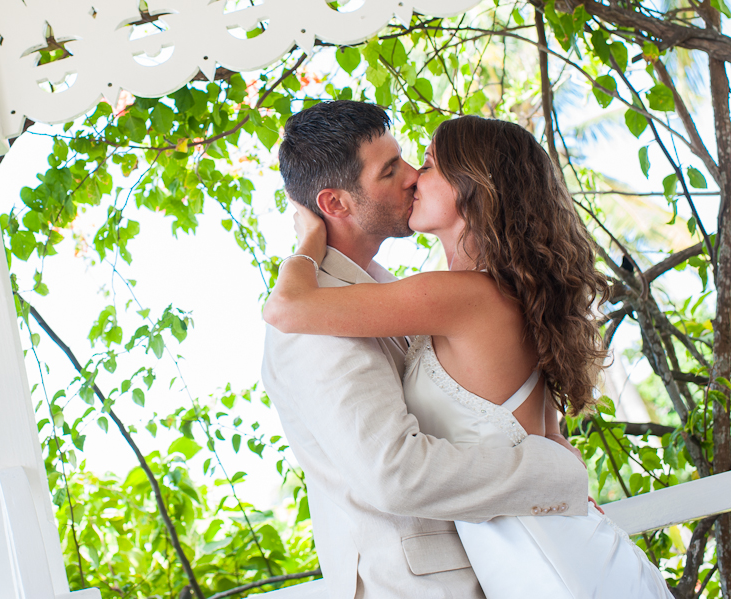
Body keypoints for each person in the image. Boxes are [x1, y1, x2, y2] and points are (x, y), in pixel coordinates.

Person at [263, 110, 673, 598]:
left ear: (474, 190)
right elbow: (400, 473)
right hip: (456, 575)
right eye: (392, 168)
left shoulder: (453, 296)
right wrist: (554, 474)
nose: (414, 174)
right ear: (334, 202)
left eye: (425, 164)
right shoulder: (444, 298)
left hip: (537, 561)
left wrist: (307, 244)